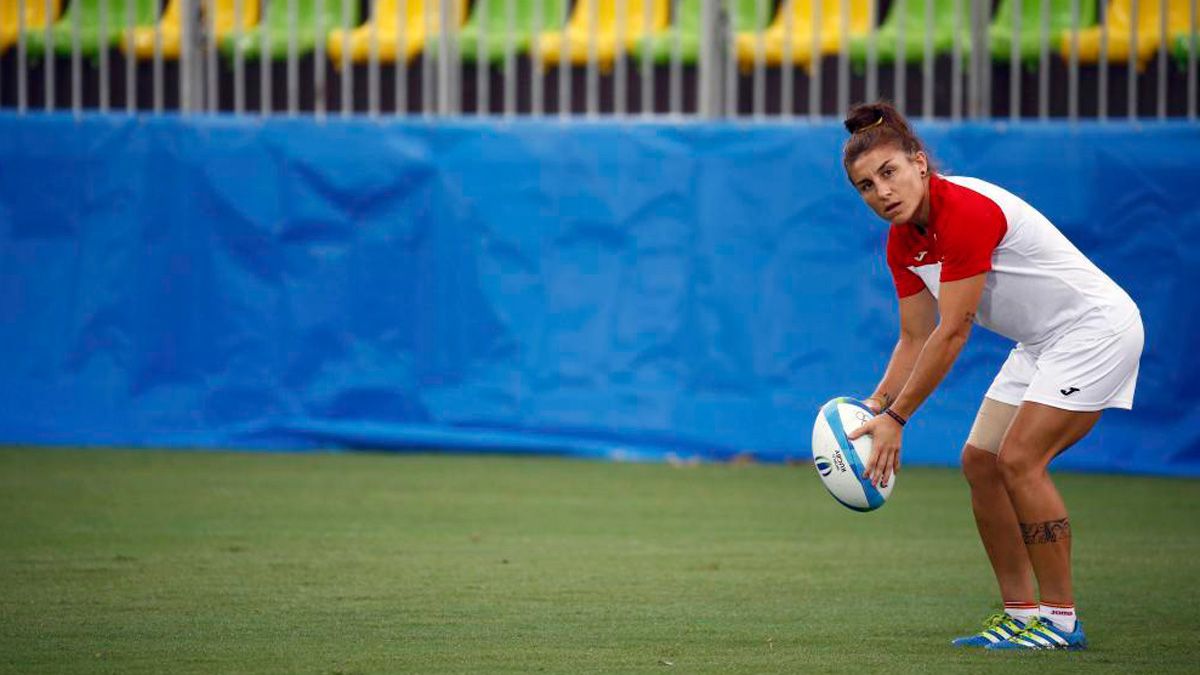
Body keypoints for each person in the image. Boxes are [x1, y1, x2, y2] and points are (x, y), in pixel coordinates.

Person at [839, 101, 1143, 651]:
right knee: (980, 463)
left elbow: (953, 332)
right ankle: (1020, 613)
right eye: (865, 186)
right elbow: (914, 336)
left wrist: (899, 418)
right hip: (1042, 342)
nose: (881, 192)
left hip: (1095, 329)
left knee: (1020, 459)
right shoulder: (902, 240)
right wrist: (876, 407)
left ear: (920, 164)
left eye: (889, 173)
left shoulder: (966, 210)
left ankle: (1060, 621)